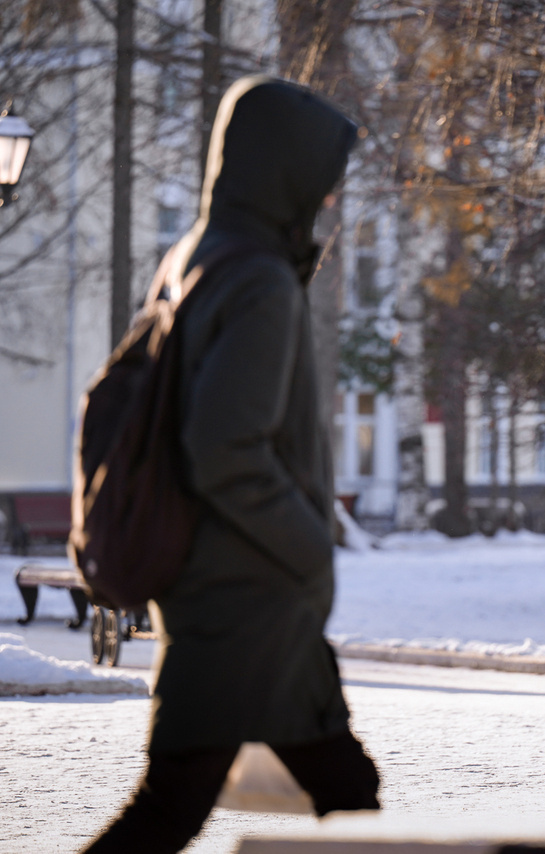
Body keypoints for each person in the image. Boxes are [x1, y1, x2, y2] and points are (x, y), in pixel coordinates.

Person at [83, 76, 379, 853]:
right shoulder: (258, 281)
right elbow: (224, 448)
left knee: (346, 794)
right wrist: (307, 544)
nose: (328, 199)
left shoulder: (195, 257)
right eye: (320, 180)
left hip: (232, 593)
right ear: (283, 172)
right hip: (244, 597)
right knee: (169, 809)